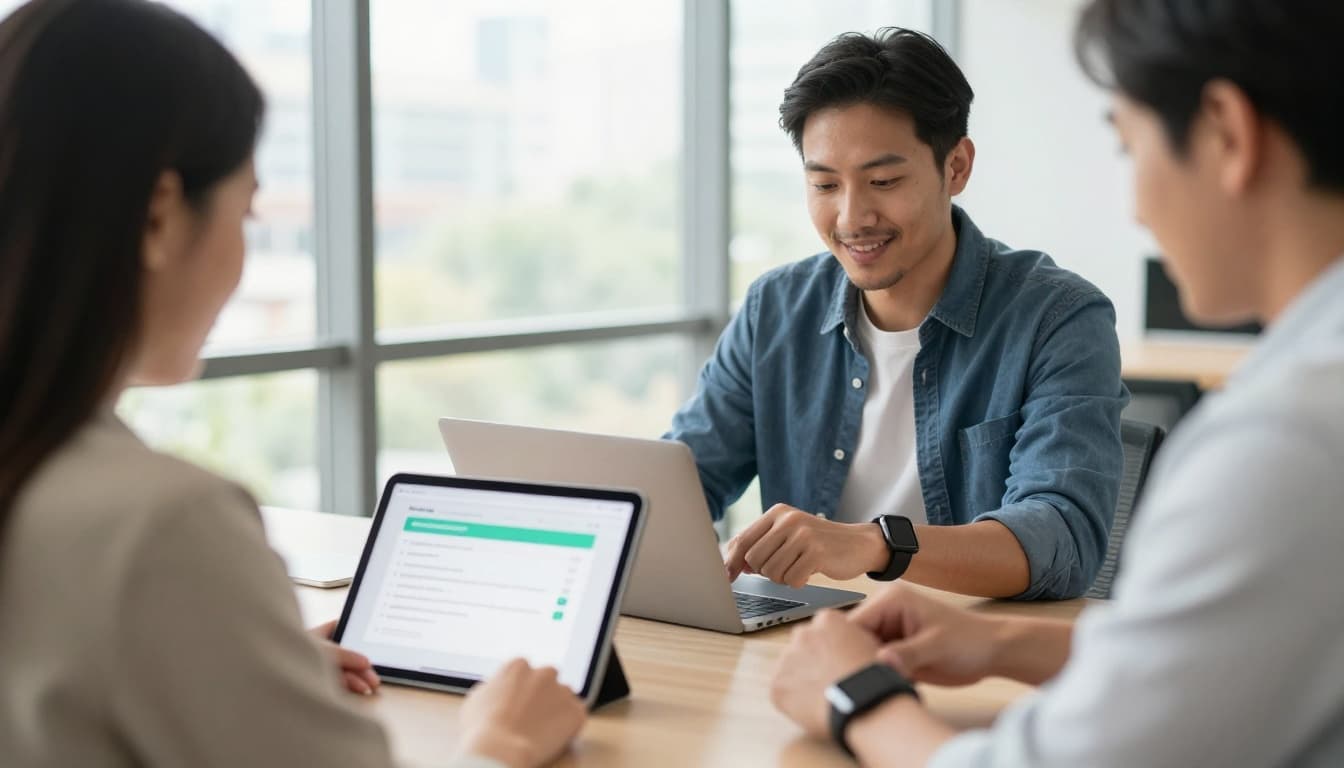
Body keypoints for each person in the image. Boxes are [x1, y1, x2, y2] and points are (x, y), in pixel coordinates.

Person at [0, 1, 583, 766]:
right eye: (246, 213)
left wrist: (236, 659)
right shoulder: (164, 524)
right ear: (159, 217)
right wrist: (498, 746)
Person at [769, 1, 1344, 765]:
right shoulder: (1306, 400)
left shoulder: (1287, 442)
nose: (1135, 207)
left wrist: (854, 699)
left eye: (1129, 146)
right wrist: (1000, 640)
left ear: (1226, 134)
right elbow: (1216, 663)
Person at [667, 28, 1127, 600]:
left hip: (972, 656)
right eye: (825, 184)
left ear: (956, 166)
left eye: (883, 181)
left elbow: (1063, 537)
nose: (852, 217)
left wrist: (878, 544)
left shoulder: (1058, 318)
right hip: (806, 648)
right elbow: (678, 485)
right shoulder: (776, 309)